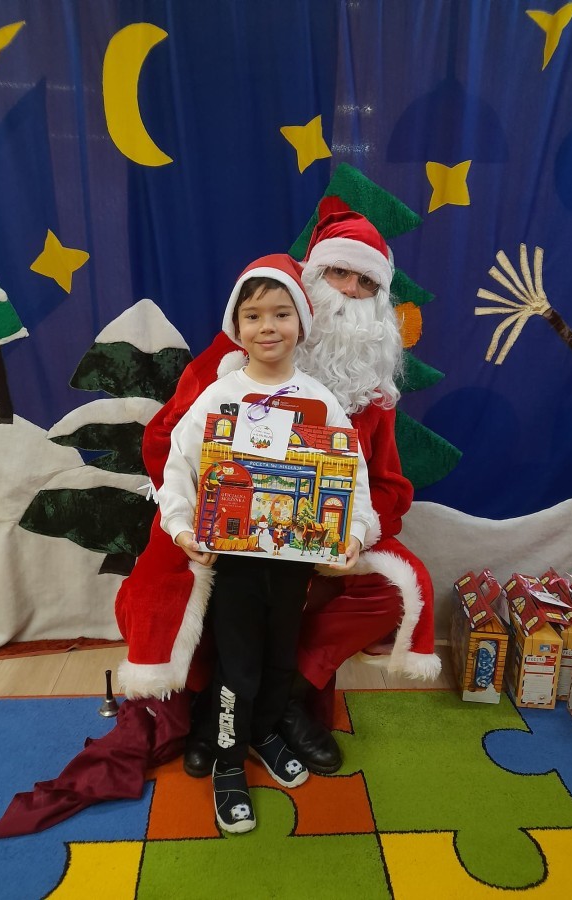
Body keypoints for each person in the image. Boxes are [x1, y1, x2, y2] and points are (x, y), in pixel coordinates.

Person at [115, 196, 439, 782]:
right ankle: (208, 710)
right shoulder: (237, 356)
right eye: (338, 272)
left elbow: (383, 482)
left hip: (319, 529)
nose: (351, 290)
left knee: (400, 588)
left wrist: (347, 536)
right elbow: (170, 441)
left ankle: (282, 699)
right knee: (168, 579)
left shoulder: (367, 386)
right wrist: (198, 516)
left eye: (366, 281)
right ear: (310, 280)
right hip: (224, 519)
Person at [156, 253, 375, 832]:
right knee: (239, 667)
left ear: (301, 321)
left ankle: (263, 731)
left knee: (281, 657)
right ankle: (228, 761)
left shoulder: (320, 401)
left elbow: (351, 474)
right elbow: (178, 466)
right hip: (234, 564)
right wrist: (181, 527)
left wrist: (353, 532)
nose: (268, 327)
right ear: (237, 326)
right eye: (253, 316)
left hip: (294, 561)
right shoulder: (219, 397)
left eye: (281, 313)